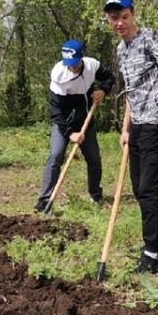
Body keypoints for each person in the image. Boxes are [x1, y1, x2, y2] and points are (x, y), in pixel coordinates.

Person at [104, 0, 158, 273]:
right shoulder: (121, 50)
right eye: (114, 19)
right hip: (137, 125)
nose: (120, 23)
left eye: (124, 17)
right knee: (140, 190)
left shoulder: (149, 38)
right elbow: (131, 92)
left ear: (132, 14)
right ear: (109, 20)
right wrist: (126, 128)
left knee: (150, 190)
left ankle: (151, 255)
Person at [34, 39, 114, 213]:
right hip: (63, 123)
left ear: (82, 57)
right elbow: (57, 112)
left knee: (94, 159)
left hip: (86, 120)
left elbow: (109, 78)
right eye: (68, 63)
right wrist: (70, 133)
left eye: (75, 63)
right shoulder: (59, 75)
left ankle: (95, 195)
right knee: (55, 156)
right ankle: (44, 200)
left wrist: (103, 91)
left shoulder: (92, 65)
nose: (72, 67)